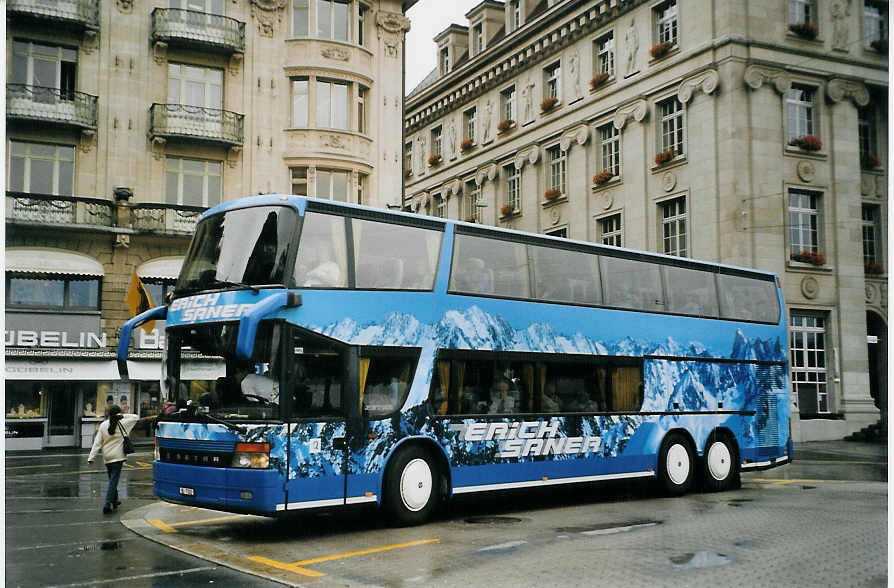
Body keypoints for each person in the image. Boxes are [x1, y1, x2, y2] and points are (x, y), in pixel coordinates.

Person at [87, 405, 139, 514]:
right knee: (113, 481)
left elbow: (97, 443)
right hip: (118, 456)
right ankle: (107, 503)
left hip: (107, 457)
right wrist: (123, 415)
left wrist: (91, 458)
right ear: (118, 414)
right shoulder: (123, 423)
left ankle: (115, 501)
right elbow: (136, 417)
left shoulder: (103, 425)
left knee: (112, 479)